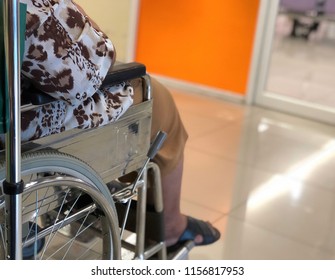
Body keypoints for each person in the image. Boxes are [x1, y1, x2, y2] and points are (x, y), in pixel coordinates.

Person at [19, 0, 220, 249]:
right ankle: (170, 228)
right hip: (26, 122)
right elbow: (88, 72)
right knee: (155, 95)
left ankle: (77, 197)